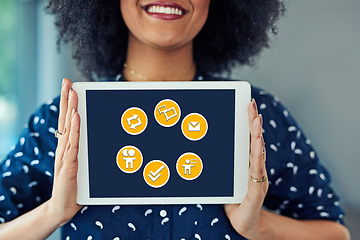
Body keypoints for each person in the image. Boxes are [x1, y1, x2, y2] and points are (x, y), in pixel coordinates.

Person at [0, 0, 351, 239]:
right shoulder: (65, 119)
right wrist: (54, 213)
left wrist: (257, 225)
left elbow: (334, 232)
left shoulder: (258, 114)